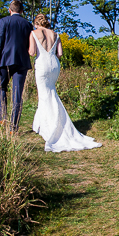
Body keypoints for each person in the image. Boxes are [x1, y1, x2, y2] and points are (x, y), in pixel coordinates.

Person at [28, 13, 102, 152]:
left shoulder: (34, 33)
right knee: (50, 93)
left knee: (44, 95)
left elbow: (32, 52)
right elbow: (60, 53)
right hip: (54, 65)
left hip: (42, 65)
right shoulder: (56, 34)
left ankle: (50, 127)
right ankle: (41, 124)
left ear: (36, 23)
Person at [0, 0, 34, 132]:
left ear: (9, 10)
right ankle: (13, 127)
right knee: (17, 94)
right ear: (22, 11)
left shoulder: (4, 21)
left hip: (5, 60)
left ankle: (2, 117)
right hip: (22, 62)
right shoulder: (28, 24)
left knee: (1, 88)